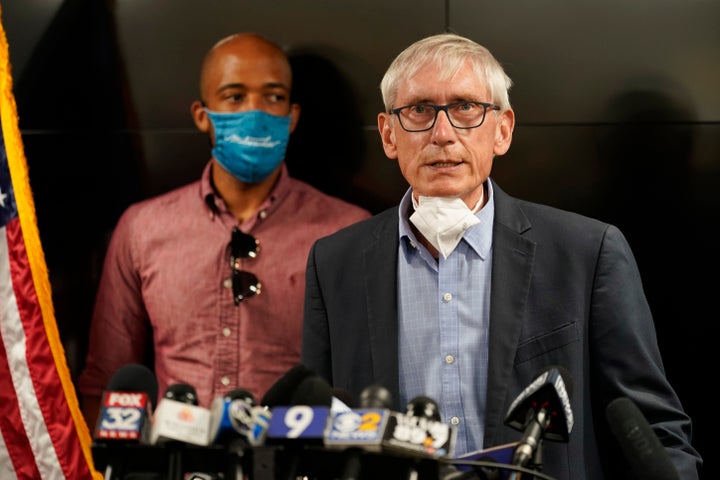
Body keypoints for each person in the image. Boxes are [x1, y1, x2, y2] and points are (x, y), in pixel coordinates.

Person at [301, 33, 702, 479]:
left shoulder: (585, 253)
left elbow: (653, 429)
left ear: (503, 130)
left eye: (466, 108)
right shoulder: (335, 263)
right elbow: (317, 435)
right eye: (419, 110)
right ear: (389, 134)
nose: (443, 133)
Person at [77, 33, 371, 425]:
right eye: (234, 97)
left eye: (273, 97)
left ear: (293, 115)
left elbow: (365, 380)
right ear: (202, 115)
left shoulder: (346, 230)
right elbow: (105, 384)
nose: (256, 112)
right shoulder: (143, 228)